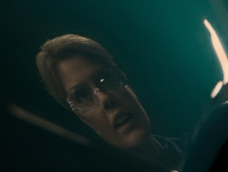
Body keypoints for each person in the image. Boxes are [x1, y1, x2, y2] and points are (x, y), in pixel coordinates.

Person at [36, 34, 180, 161]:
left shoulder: (198, 150)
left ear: (127, 83)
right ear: (78, 116)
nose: (105, 99)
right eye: (82, 96)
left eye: (105, 78)